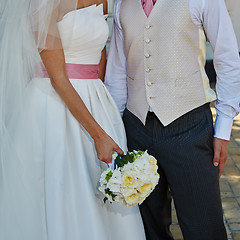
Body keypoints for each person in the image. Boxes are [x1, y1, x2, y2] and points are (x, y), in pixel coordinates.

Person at [0, 0, 145, 239]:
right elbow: (58, 78)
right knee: (59, 185)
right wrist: (98, 135)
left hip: (96, 100)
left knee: (102, 188)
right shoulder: (43, 4)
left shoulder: (105, 2)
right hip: (52, 104)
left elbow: (100, 62)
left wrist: (106, 112)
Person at [105, 0, 240, 239]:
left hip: (190, 127)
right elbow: (117, 70)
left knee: (204, 228)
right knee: (149, 229)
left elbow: (227, 59)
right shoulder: (122, 4)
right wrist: (115, 130)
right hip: (136, 128)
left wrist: (222, 130)